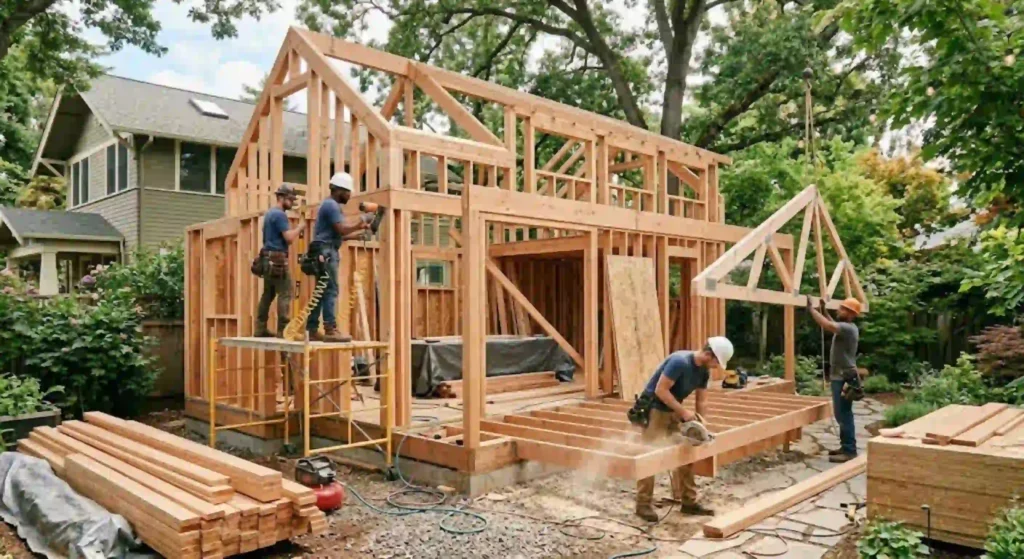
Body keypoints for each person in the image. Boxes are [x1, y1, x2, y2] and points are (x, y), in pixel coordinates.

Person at [634, 337, 734, 522]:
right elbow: (660, 390)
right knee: (650, 456)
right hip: (654, 409)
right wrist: (684, 413)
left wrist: (702, 426)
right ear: (708, 354)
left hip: (673, 409)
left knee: (686, 451)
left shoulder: (703, 372)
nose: (716, 366)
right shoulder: (679, 362)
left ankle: (688, 501)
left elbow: (701, 401)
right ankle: (643, 504)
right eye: (716, 362)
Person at [306, 172, 371, 341]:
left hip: (324, 249)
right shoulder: (331, 205)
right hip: (326, 252)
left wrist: (356, 235)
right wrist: (360, 222)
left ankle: (311, 329)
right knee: (331, 290)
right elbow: (341, 229)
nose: (349, 196)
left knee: (321, 292)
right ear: (339, 190)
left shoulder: (330, 206)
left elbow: (337, 234)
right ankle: (330, 329)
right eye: (348, 192)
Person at [806, 296, 862, 463]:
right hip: (843, 375)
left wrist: (812, 310)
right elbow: (832, 324)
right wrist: (823, 310)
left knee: (843, 414)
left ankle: (850, 450)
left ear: (851, 314)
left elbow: (828, 325)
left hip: (844, 377)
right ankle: (845, 447)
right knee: (842, 413)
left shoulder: (849, 328)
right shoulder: (847, 327)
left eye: (843, 309)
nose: (839, 311)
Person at [255, 184, 304, 338]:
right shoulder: (280, 215)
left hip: (267, 260)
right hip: (277, 260)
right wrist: (300, 227)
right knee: (286, 293)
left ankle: (260, 328)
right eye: (290, 199)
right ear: (281, 198)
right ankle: (283, 331)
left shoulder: (269, 214)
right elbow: (289, 238)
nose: (291, 202)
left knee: (268, 294)